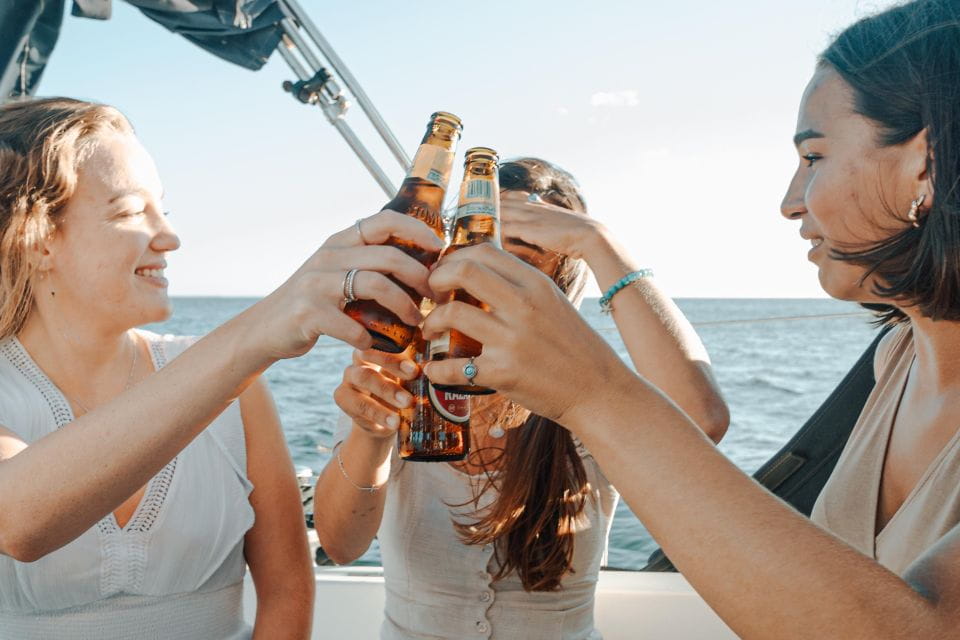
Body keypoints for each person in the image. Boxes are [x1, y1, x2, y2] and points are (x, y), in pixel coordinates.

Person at [418, 1, 960, 636]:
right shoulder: (897, 359)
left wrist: (594, 393)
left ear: (924, 160)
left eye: (812, 157)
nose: (790, 202)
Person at [0, 97, 447, 639]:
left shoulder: (237, 387)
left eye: (162, 209)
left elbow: (287, 590)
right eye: (129, 211)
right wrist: (262, 327)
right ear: (38, 238)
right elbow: (19, 519)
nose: (169, 236)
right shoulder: (231, 366)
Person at [313, 157, 729, 639]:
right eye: (477, 254)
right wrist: (370, 433)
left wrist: (599, 241)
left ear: (559, 288)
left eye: (521, 262)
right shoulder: (400, 374)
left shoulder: (589, 392)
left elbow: (700, 422)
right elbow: (341, 545)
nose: (487, 280)